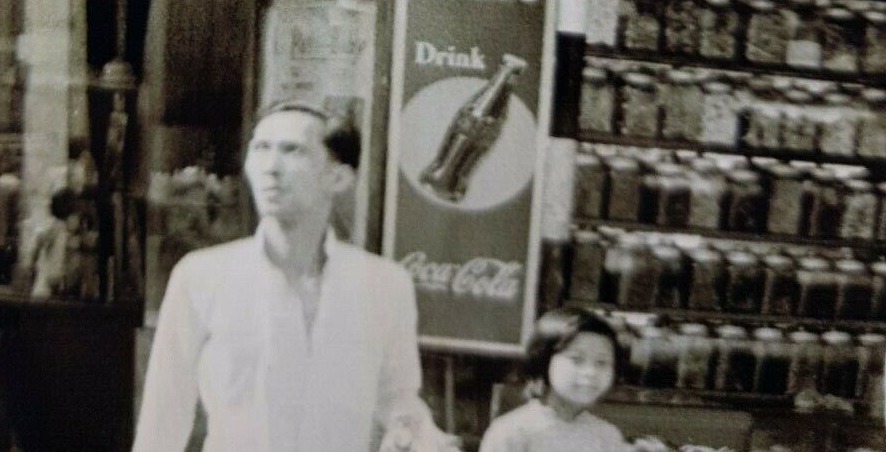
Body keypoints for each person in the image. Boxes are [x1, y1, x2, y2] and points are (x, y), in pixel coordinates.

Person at [132, 100, 455, 452]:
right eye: (260, 149)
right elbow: (164, 416)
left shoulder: (384, 286)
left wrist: (418, 435)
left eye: (293, 151)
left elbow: (399, 401)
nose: (271, 167)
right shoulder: (201, 278)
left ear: (339, 176)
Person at [479, 310, 625, 452]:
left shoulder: (608, 438)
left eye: (602, 362)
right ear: (545, 360)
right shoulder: (512, 432)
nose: (591, 372)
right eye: (577, 359)